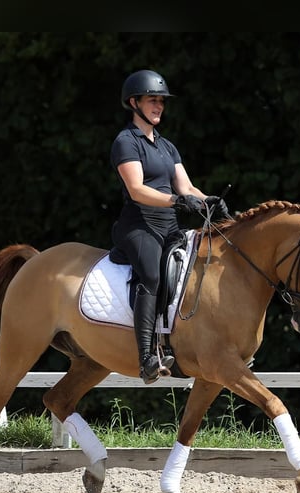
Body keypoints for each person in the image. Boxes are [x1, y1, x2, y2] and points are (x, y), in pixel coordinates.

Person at [110, 69, 229, 384]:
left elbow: (187, 187)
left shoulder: (167, 146)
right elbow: (137, 189)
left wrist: (209, 202)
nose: (159, 106)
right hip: (138, 225)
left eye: (161, 101)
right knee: (151, 273)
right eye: (152, 100)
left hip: (169, 227)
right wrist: (177, 202)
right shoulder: (126, 142)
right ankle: (147, 356)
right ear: (133, 102)